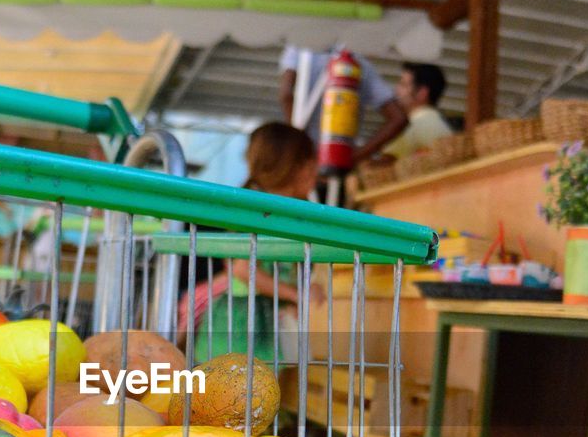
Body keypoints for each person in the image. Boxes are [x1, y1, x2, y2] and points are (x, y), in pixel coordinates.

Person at [179, 122, 327, 362]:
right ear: (297, 167)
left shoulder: (291, 213)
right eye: (312, 163)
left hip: (263, 320)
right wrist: (296, 295)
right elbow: (242, 269)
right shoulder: (255, 208)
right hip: (240, 321)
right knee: (237, 389)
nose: (316, 171)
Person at [278, 46, 408, 166]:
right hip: (337, 161)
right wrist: (355, 156)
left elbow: (285, 95)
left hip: (301, 158)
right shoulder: (360, 65)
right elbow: (398, 118)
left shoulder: (300, 49)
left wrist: (297, 144)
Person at [382, 63, 454, 160]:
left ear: (422, 93)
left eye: (403, 85)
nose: (396, 90)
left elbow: (385, 163)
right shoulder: (439, 125)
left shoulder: (415, 124)